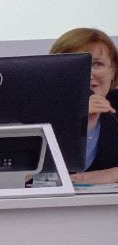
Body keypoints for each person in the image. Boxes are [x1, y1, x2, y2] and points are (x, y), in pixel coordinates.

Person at [49, 28, 118, 185]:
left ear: (113, 70)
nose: (88, 74)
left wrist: (112, 174)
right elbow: (23, 175)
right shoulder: (38, 109)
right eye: (76, 65)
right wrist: (79, 123)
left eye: (97, 64)